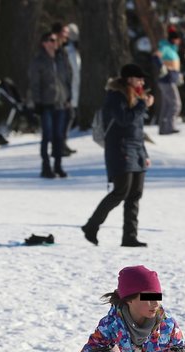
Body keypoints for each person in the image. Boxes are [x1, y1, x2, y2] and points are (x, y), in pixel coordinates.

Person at [81, 64, 153, 247]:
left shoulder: (136, 96)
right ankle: (91, 225)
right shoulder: (115, 96)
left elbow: (137, 129)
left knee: (135, 194)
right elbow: (124, 119)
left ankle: (129, 236)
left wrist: (144, 153)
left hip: (136, 150)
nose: (142, 82)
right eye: (139, 78)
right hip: (120, 149)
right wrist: (143, 105)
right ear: (129, 79)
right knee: (120, 191)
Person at [28, 31, 72, 178]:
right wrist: (37, 102)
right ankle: (46, 166)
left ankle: (58, 165)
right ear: (44, 43)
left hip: (61, 103)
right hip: (46, 103)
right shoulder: (38, 61)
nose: (53, 43)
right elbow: (35, 83)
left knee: (59, 136)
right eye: (50, 40)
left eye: (55, 40)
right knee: (47, 136)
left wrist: (68, 96)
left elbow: (67, 78)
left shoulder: (61, 59)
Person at [155, 27, 183, 135]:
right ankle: (169, 127)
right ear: (174, 39)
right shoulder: (165, 47)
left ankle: (163, 128)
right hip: (167, 80)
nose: (179, 41)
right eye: (178, 39)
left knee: (166, 104)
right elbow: (156, 56)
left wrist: (178, 75)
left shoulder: (171, 49)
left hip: (169, 80)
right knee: (176, 104)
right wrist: (161, 66)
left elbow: (174, 65)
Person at [61, 23, 81, 156]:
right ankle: (61, 143)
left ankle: (63, 141)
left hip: (74, 87)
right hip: (67, 89)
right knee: (67, 116)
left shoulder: (74, 50)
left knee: (69, 116)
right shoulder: (67, 51)